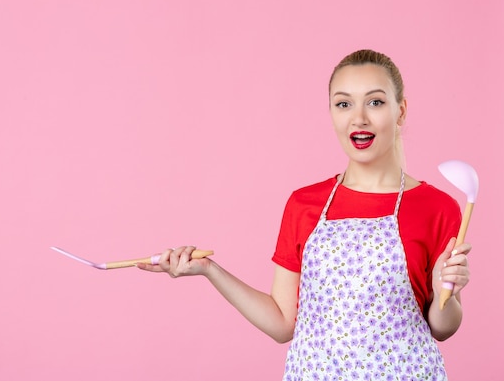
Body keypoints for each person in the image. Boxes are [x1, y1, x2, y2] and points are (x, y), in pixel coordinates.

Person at [137, 49, 471, 380]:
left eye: (375, 102)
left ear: (401, 111)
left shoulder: (437, 208)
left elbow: (443, 327)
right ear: (331, 113)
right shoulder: (304, 205)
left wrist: (448, 291)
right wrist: (210, 270)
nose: (359, 118)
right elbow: (283, 323)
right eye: (344, 104)